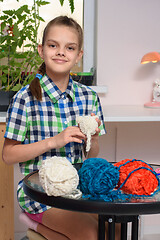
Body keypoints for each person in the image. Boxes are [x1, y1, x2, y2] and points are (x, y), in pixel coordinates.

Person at [2, 16, 119, 240]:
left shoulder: (89, 97)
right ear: (41, 50)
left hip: (79, 190)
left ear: (78, 56)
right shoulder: (24, 99)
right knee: (91, 234)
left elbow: (92, 154)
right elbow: (8, 155)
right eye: (53, 45)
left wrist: (92, 139)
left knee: (119, 227)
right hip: (42, 195)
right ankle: (36, 225)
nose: (61, 52)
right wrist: (54, 141)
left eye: (70, 47)